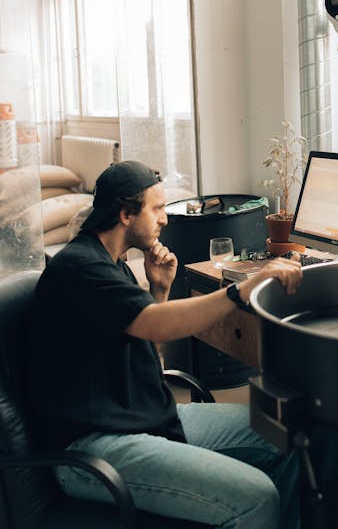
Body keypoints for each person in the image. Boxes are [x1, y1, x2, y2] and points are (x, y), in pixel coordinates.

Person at [30, 160, 303, 529]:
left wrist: (158, 289)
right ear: (126, 213)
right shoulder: (80, 268)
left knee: (288, 436)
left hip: (139, 418)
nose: (165, 219)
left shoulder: (112, 265)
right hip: (93, 448)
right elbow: (156, 328)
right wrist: (239, 291)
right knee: (258, 499)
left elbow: (142, 347)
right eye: (157, 208)